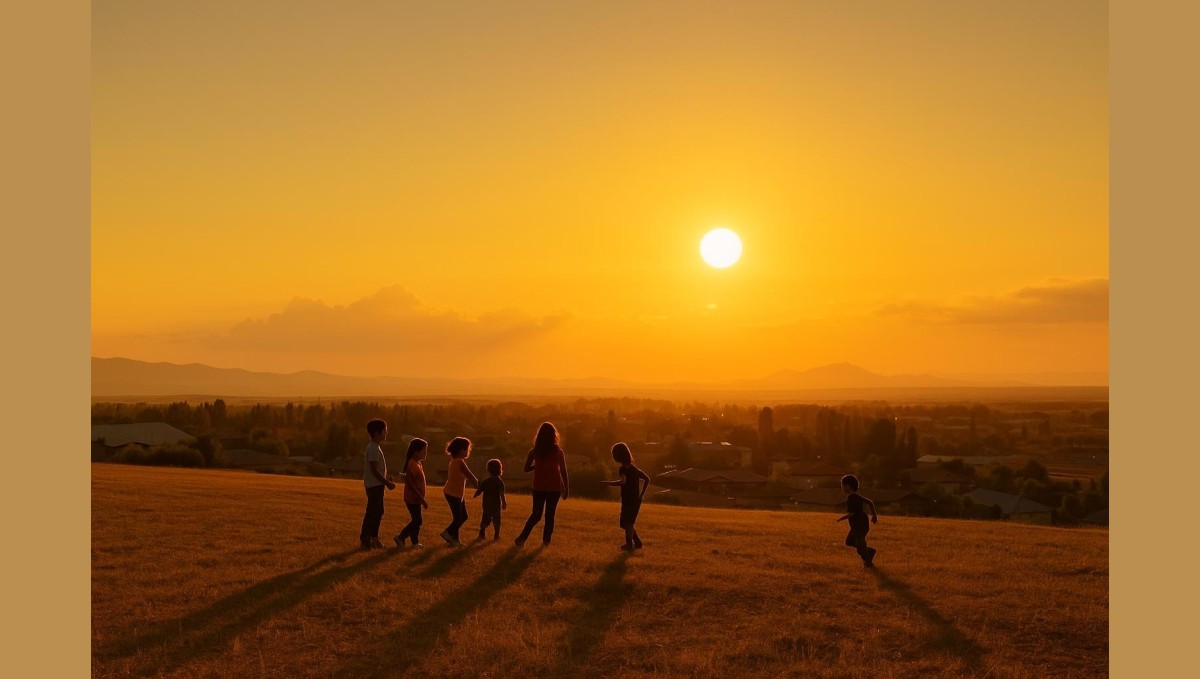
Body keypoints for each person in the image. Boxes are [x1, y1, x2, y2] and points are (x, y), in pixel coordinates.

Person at [515, 422, 570, 547]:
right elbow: (563, 471)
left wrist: (538, 466)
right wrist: (566, 488)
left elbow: (526, 468)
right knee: (550, 516)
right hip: (554, 488)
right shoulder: (558, 452)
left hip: (538, 487)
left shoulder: (534, 451)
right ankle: (546, 542)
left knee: (536, 515)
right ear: (553, 436)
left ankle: (522, 539)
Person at [603, 442, 650, 550]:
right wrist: (641, 494)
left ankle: (630, 544)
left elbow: (622, 482)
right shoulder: (635, 469)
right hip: (635, 500)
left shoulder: (623, 469)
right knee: (626, 523)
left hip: (628, 500)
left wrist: (608, 483)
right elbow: (647, 479)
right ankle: (637, 542)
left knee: (626, 523)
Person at [360, 419, 395, 550]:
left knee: (378, 511)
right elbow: (374, 469)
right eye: (384, 431)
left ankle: (374, 538)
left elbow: (377, 468)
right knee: (372, 512)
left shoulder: (375, 447)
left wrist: (386, 478)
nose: (386, 433)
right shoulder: (373, 448)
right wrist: (387, 483)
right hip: (374, 485)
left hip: (377, 484)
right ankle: (366, 538)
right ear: (376, 433)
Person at [440, 437, 478, 547]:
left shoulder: (453, 461)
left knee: (462, 517)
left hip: (455, 493)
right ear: (461, 450)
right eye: (467, 449)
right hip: (453, 494)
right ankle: (447, 533)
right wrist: (476, 483)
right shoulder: (460, 461)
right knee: (459, 518)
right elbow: (469, 474)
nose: (468, 451)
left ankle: (453, 541)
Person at [393, 438, 430, 549]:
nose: (425, 453)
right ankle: (401, 537)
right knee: (417, 520)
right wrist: (421, 499)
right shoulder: (412, 464)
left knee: (416, 520)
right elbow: (411, 485)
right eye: (424, 450)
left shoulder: (417, 463)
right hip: (412, 498)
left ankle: (415, 542)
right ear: (415, 451)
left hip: (416, 498)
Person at [836, 474, 878, 568]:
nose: (841, 487)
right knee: (849, 541)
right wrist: (874, 516)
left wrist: (840, 519)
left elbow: (852, 513)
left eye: (842, 485)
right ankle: (869, 551)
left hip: (860, 524)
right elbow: (870, 502)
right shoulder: (856, 496)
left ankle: (868, 562)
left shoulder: (851, 498)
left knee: (860, 544)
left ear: (847, 486)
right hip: (857, 524)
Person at [473, 458, 508, 541]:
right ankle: (496, 536)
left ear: (488, 469)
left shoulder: (486, 481)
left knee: (485, 519)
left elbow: (479, 491)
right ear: (500, 469)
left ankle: (482, 534)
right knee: (497, 520)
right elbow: (501, 493)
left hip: (486, 504)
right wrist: (504, 502)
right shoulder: (499, 481)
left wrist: (475, 495)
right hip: (496, 504)